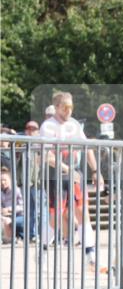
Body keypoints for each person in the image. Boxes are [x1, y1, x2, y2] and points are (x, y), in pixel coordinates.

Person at [40, 92, 103, 268]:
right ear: (57, 107)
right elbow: (47, 156)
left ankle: (90, 253)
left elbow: (87, 147)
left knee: (83, 213)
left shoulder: (74, 124)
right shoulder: (48, 126)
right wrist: (66, 169)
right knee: (56, 215)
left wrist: (96, 170)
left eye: (71, 107)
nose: (69, 111)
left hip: (74, 174)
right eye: (65, 107)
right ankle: (43, 250)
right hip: (55, 175)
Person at [0, 168, 25, 242]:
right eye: (1, 180)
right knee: (5, 219)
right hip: (5, 216)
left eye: (5, 180)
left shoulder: (17, 190)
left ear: (10, 180)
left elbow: (23, 207)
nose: (2, 182)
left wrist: (9, 209)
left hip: (19, 216)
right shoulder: (1, 192)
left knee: (7, 221)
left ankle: (11, 240)